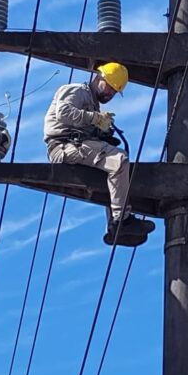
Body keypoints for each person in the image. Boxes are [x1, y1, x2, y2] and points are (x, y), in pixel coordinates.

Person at [43, 62, 154, 245]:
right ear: (98, 77)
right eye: (109, 86)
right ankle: (122, 221)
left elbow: (82, 124)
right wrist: (95, 119)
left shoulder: (93, 104)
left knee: (109, 172)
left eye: (114, 91)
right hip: (63, 145)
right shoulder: (77, 90)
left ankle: (114, 227)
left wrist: (101, 132)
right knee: (118, 160)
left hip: (75, 144)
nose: (110, 93)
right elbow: (63, 113)